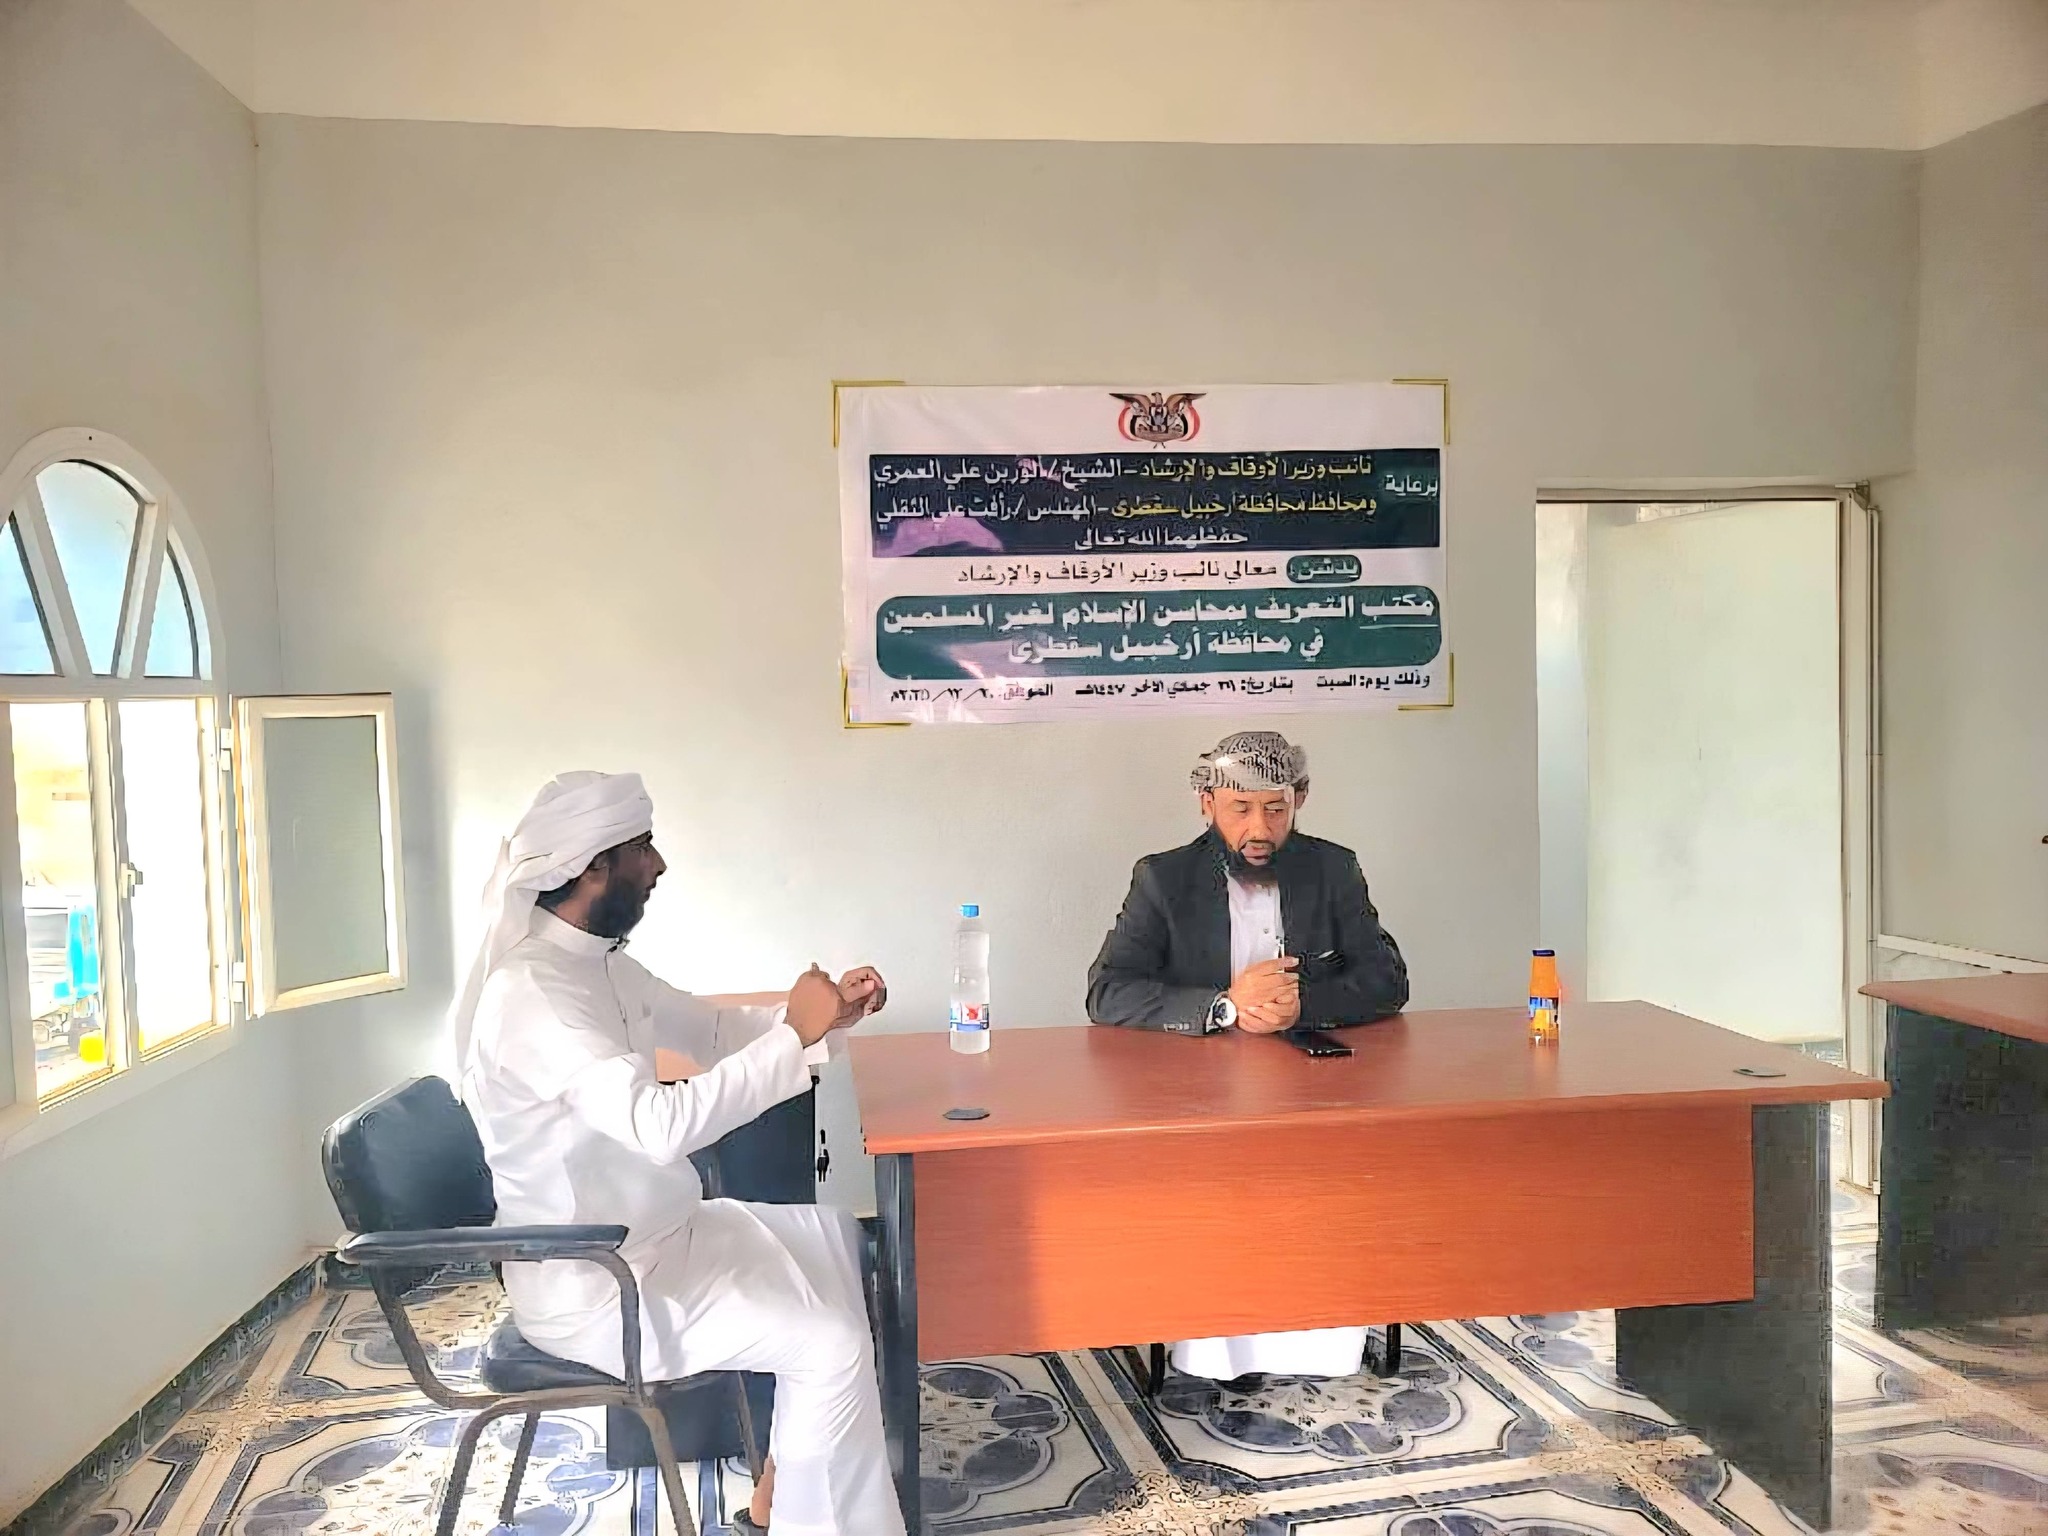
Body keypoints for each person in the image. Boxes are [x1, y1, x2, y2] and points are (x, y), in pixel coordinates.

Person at [454, 771, 904, 1536]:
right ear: (594, 867)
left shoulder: (598, 964)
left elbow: (712, 1032)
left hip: (660, 1238)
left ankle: (782, 1501)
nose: (658, 864)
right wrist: (794, 1034)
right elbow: (659, 1126)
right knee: (828, 1344)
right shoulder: (535, 996)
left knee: (835, 1239)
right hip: (599, 1280)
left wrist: (824, 1020)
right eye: (644, 848)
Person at [1085, 730, 1408, 1383]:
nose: (1259, 828)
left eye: (1276, 808)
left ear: (1300, 800)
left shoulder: (1333, 869)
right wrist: (1224, 1006)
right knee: (1221, 1206)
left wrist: (1303, 1004)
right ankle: (1209, 1350)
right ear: (1207, 803)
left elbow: (1388, 980)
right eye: (1240, 809)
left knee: (1326, 1196)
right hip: (1200, 1097)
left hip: (1312, 1090)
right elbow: (1107, 992)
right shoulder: (1163, 879)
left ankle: (1323, 1346)